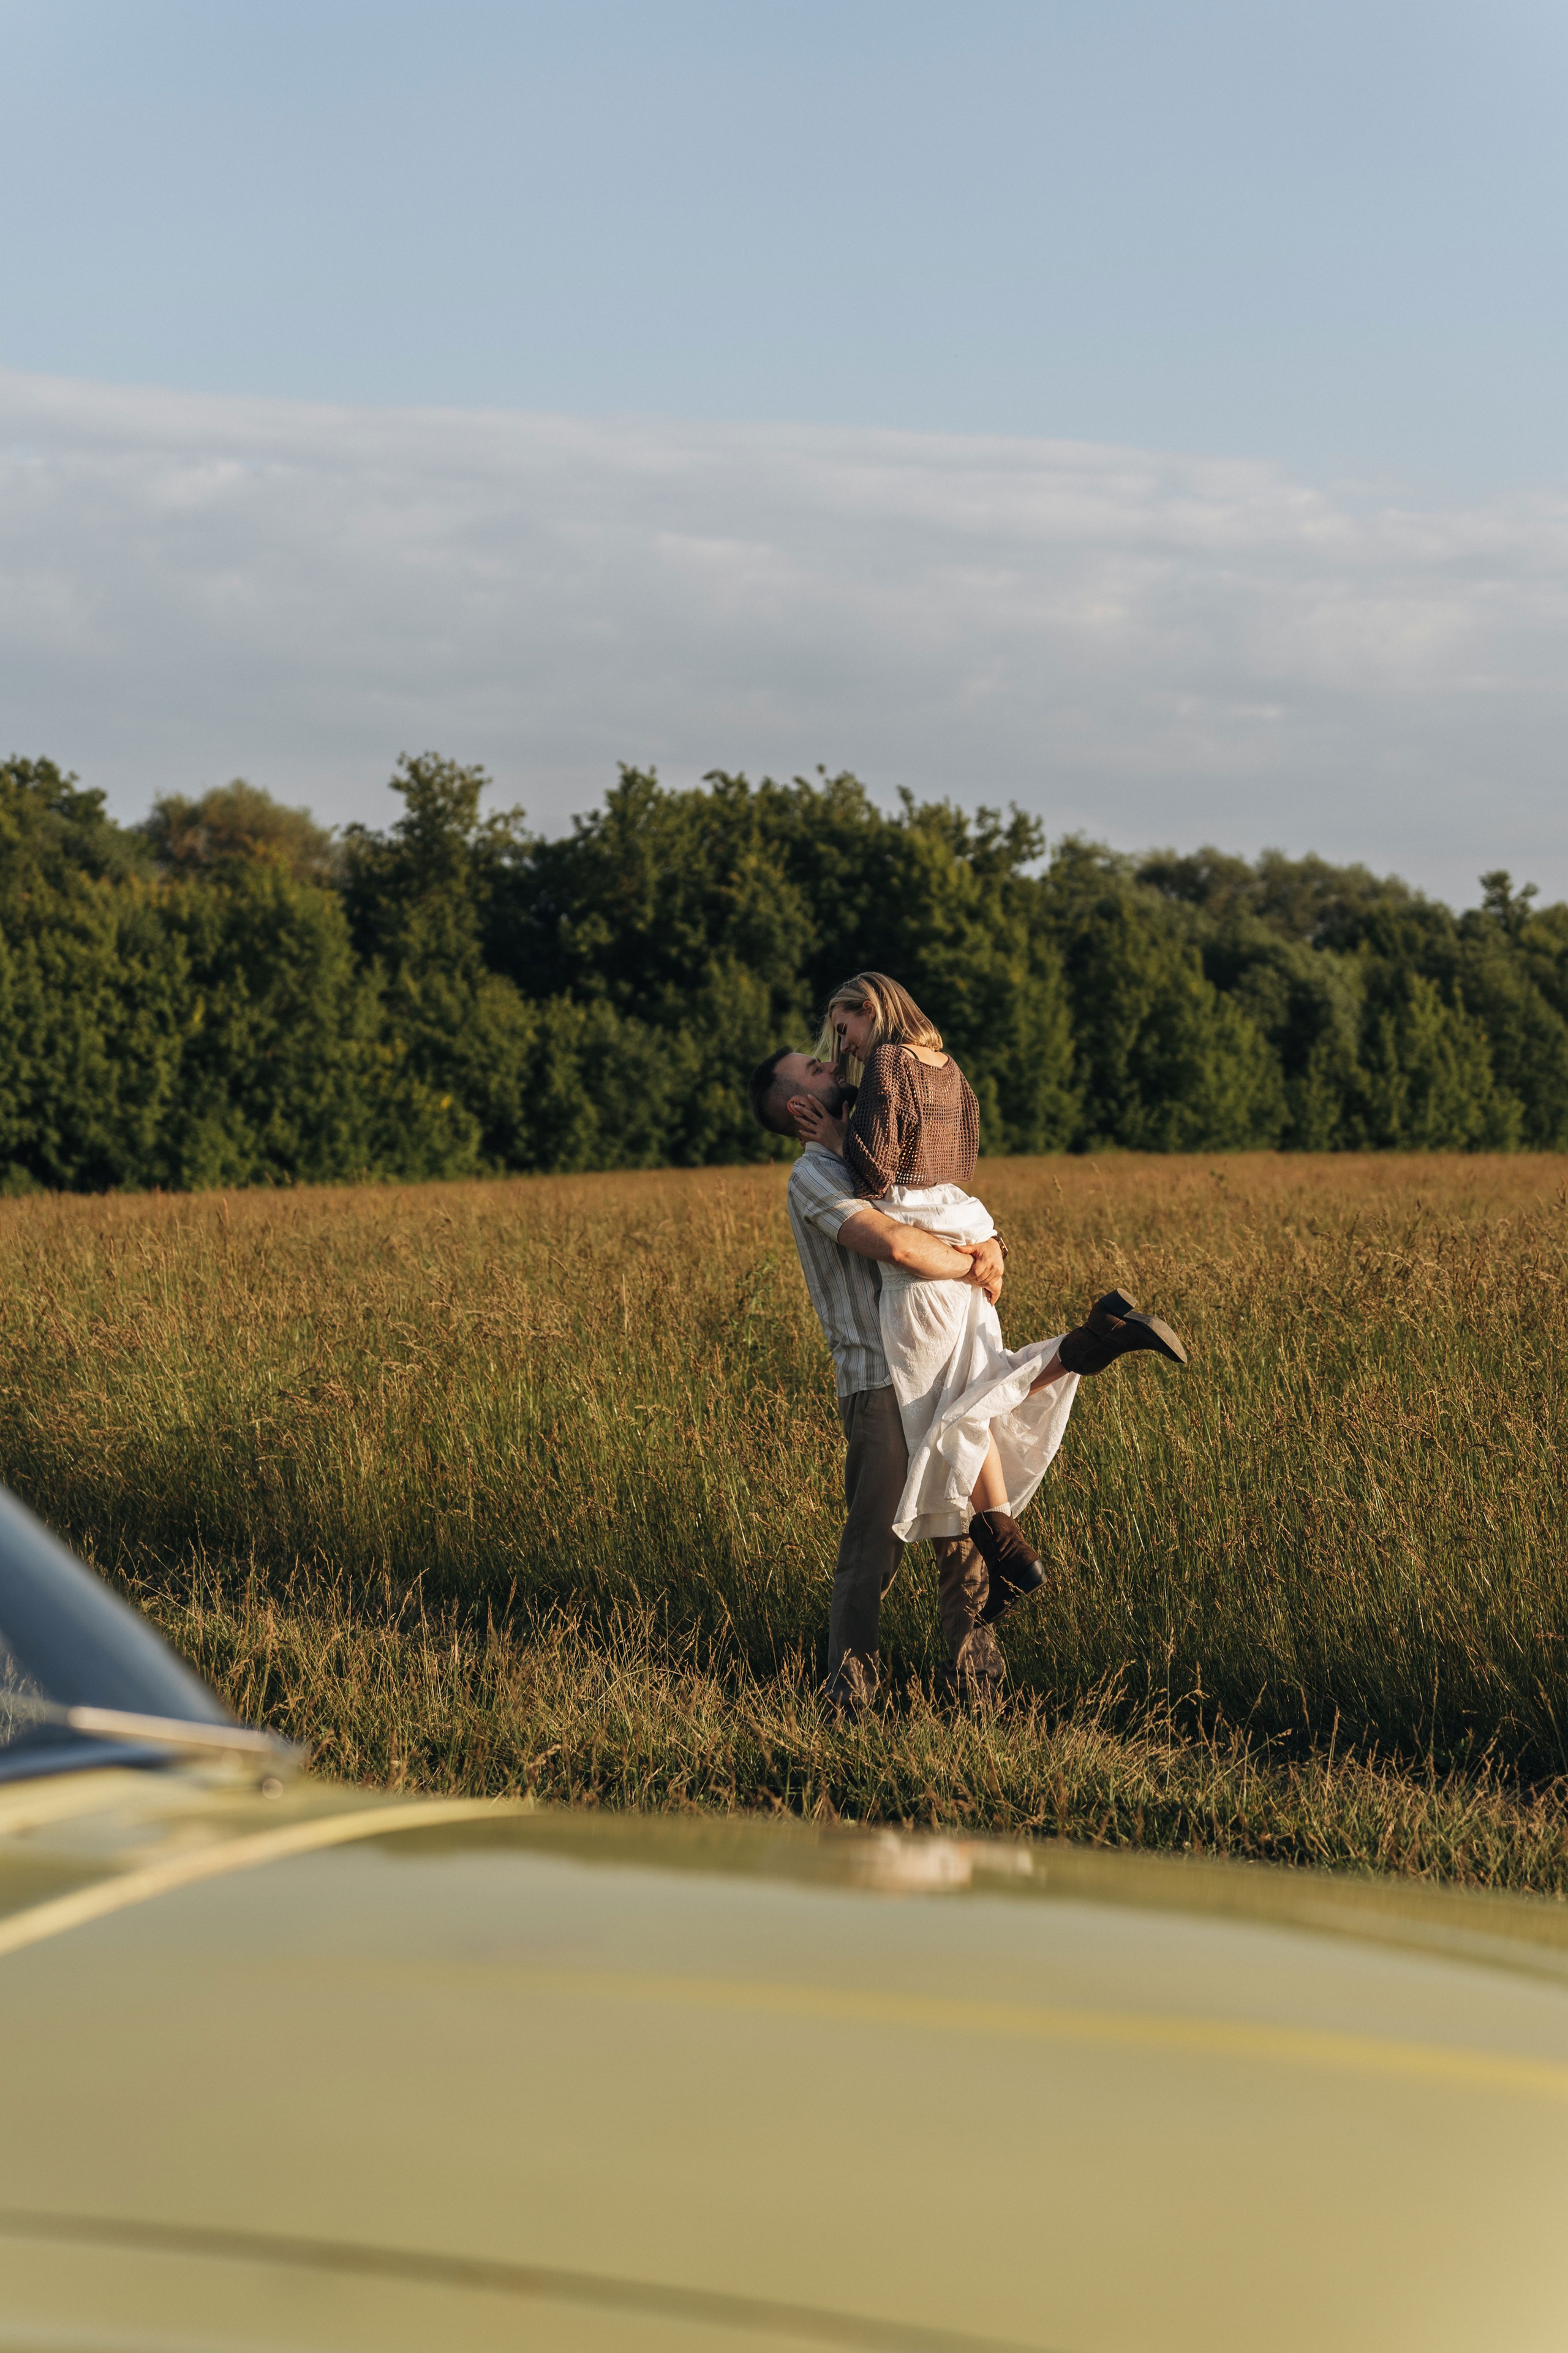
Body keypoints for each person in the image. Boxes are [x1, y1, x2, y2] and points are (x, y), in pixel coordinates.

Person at [790, 971, 1188, 1622]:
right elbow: (962, 1153)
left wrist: (837, 1139)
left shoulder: (887, 1065)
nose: (843, 1051)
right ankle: (1085, 1351)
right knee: (976, 1390)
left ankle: (1085, 1350)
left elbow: (877, 1180)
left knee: (957, 1411)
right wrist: (981, 1243)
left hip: (921, 1267)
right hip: (963, 1217)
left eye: (843, 1030)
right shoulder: (947, 1067)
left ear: (869, 1010)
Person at [748, 1044, 1009, 1711]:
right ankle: (851, 1695)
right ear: (802, 1105)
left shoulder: (879, 1158)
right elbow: (898, 1246)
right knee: (875, 1546)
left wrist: (992, 1244)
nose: (835, 1065)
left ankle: (975, 1692)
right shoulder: (813, 1179)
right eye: (817, 1069)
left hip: (940, 1368)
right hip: (879, 1381)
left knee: (962, 1535)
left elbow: (945, 1215)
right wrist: (974, 1263)